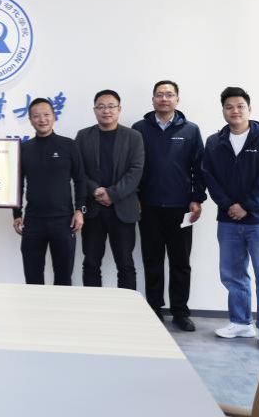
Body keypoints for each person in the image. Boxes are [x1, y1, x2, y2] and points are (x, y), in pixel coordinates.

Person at [202, 86, 259, 348]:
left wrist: (246, 206)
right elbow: (210, 178)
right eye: (229, 107)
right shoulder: (214, 142)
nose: (234, 111)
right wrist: (229, 206)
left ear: (249, 109)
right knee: (232, 273)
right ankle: (241, 322)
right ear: (223, 111)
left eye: (240, 106)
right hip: (228, 220)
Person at [132, 80, 207, 331]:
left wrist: (197, 198)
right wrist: (135, 198)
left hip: (181, 208)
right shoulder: (139, 129)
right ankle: (153, 309)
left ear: (177, 99)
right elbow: (133, 168)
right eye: (159, 94)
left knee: (180, 262)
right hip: (148, 207)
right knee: (152, 260)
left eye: (169, 94)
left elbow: (200, 168)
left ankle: (180, 312)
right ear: (153, 99)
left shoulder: (191, 130)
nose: (164, 98)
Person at [12, 98, 86, 285]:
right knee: (32, 278)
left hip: (64, 221)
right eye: (36, 116)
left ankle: (61, 307)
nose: (42, 119)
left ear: (54, 116)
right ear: (30, 120)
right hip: (33, 222)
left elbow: (80, 180)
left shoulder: (69, 145)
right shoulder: (24, 148)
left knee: (63, 277)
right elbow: (17, 183)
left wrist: (80, 210)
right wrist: (16, 214)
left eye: (46, 114)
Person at [75, 89, 144, 290]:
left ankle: (127, 306)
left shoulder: (134, 137)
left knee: (125, 263)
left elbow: (136, 170)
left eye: (111, 106)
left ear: (119, 109)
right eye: (101, 107)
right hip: (93, 210)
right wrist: (95, 190)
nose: (106, 111)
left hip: (122, 209)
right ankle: (92, 305)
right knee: (91, 263)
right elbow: (78, 171)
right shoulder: (83, 136)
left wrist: (112, 194)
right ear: (94, 110)